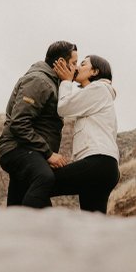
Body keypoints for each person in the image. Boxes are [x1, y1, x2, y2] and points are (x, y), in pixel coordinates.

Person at [0, 41, 78, 208]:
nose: (76, 68)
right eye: (74, 63)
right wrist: (48, 154)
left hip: (30, 150)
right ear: (61, 62)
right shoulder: (39, 81)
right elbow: (19, 123)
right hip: (17, 148)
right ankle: (32, 223)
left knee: (18, 202)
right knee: (44, 177)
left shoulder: (51, 82)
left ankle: (14, 224)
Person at [50, 55, 120, 213]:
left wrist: (66, 81)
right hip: (106, 166)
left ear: (95, 71)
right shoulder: (99, 95)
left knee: (42, 183)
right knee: (93, 221)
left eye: (82, 64)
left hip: (98, 162)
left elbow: (63, 107)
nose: (77, 67)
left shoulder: (98, 89)